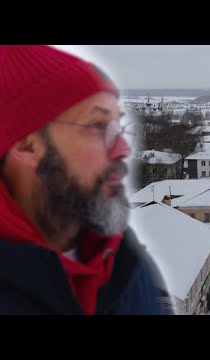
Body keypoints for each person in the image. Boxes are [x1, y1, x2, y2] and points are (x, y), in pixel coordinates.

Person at [0, 45, 173, 315]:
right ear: (27, 144)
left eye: (118, 126)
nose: (123, 149)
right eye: (96, 125)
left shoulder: (124, 265)